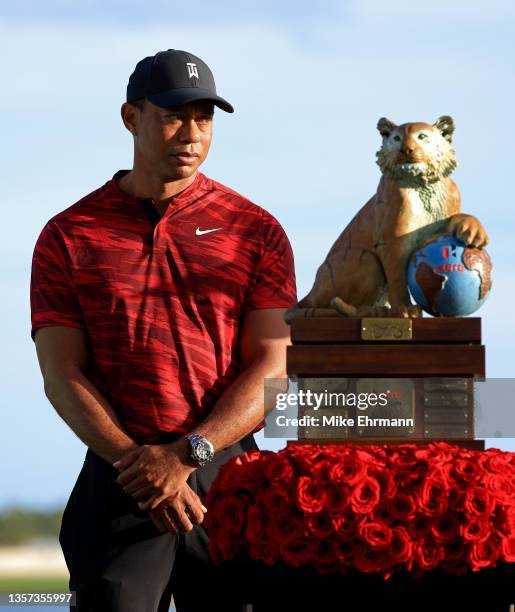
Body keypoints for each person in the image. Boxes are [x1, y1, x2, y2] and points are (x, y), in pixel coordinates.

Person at [30, 49, 297, 611]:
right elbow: (61, 373)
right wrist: (140, 463)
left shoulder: (255, 230)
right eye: (174, 115)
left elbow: (274, 367)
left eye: (204, 118)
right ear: (131, 118)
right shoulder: (69, 235)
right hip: (120, 475)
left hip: (227, 474)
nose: (191, 133)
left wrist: (187, 454)